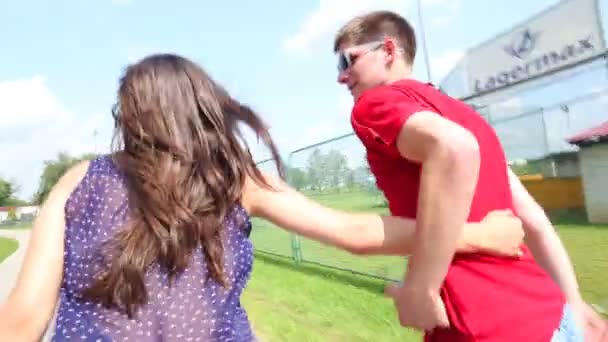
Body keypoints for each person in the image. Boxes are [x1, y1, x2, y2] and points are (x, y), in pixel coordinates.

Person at [0, 54, 524, 342]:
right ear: (205, 110)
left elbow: (21, 320)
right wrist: (478, 234)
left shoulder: (77, 181)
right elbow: (354, 233)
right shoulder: (235, 179)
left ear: (130, 117)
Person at [333, 10, 607, 342]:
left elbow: (453, 147)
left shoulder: (374, 104)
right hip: (551, 317)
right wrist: (574, 305)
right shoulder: (466, 117)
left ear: (388, 51)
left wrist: (422, 288)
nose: (342, 77)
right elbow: (533, 219)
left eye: (348, 61)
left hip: (484, 326)